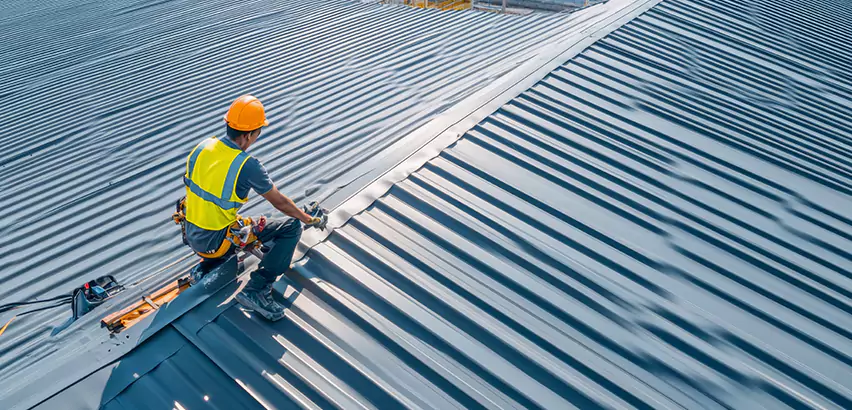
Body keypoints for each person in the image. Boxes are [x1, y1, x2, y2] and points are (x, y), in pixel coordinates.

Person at [182, 95, 325, 320]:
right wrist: (308, 218)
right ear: (249, 134)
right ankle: (256, 290)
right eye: (258, 133)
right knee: (290, 227)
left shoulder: (203, 147)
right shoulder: (247, 165)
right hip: (217, 242)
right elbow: (280, 202)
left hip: (191, 235)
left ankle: (208, 266)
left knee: (236, 220)